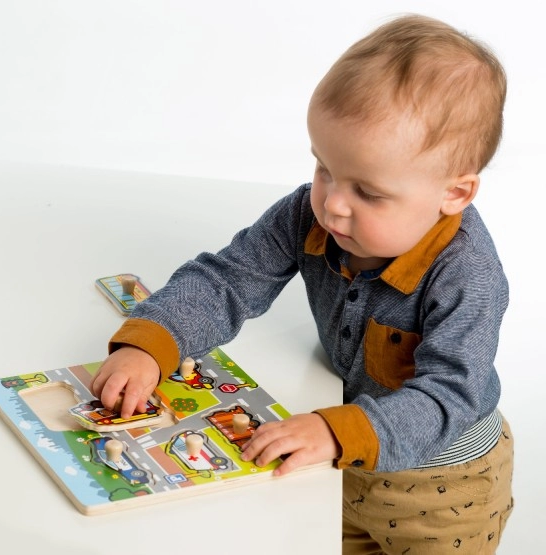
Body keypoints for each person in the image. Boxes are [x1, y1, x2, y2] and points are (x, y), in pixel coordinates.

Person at [91, 14, 514, 554]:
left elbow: (449, 395)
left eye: (368, 193)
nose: (333, 204)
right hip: (337, 458)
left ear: (454, 194)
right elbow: (227, 279)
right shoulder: (308, 215)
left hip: (441, 486)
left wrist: (336, 431)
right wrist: (152, 343)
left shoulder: (468, 275)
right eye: (324, 169)